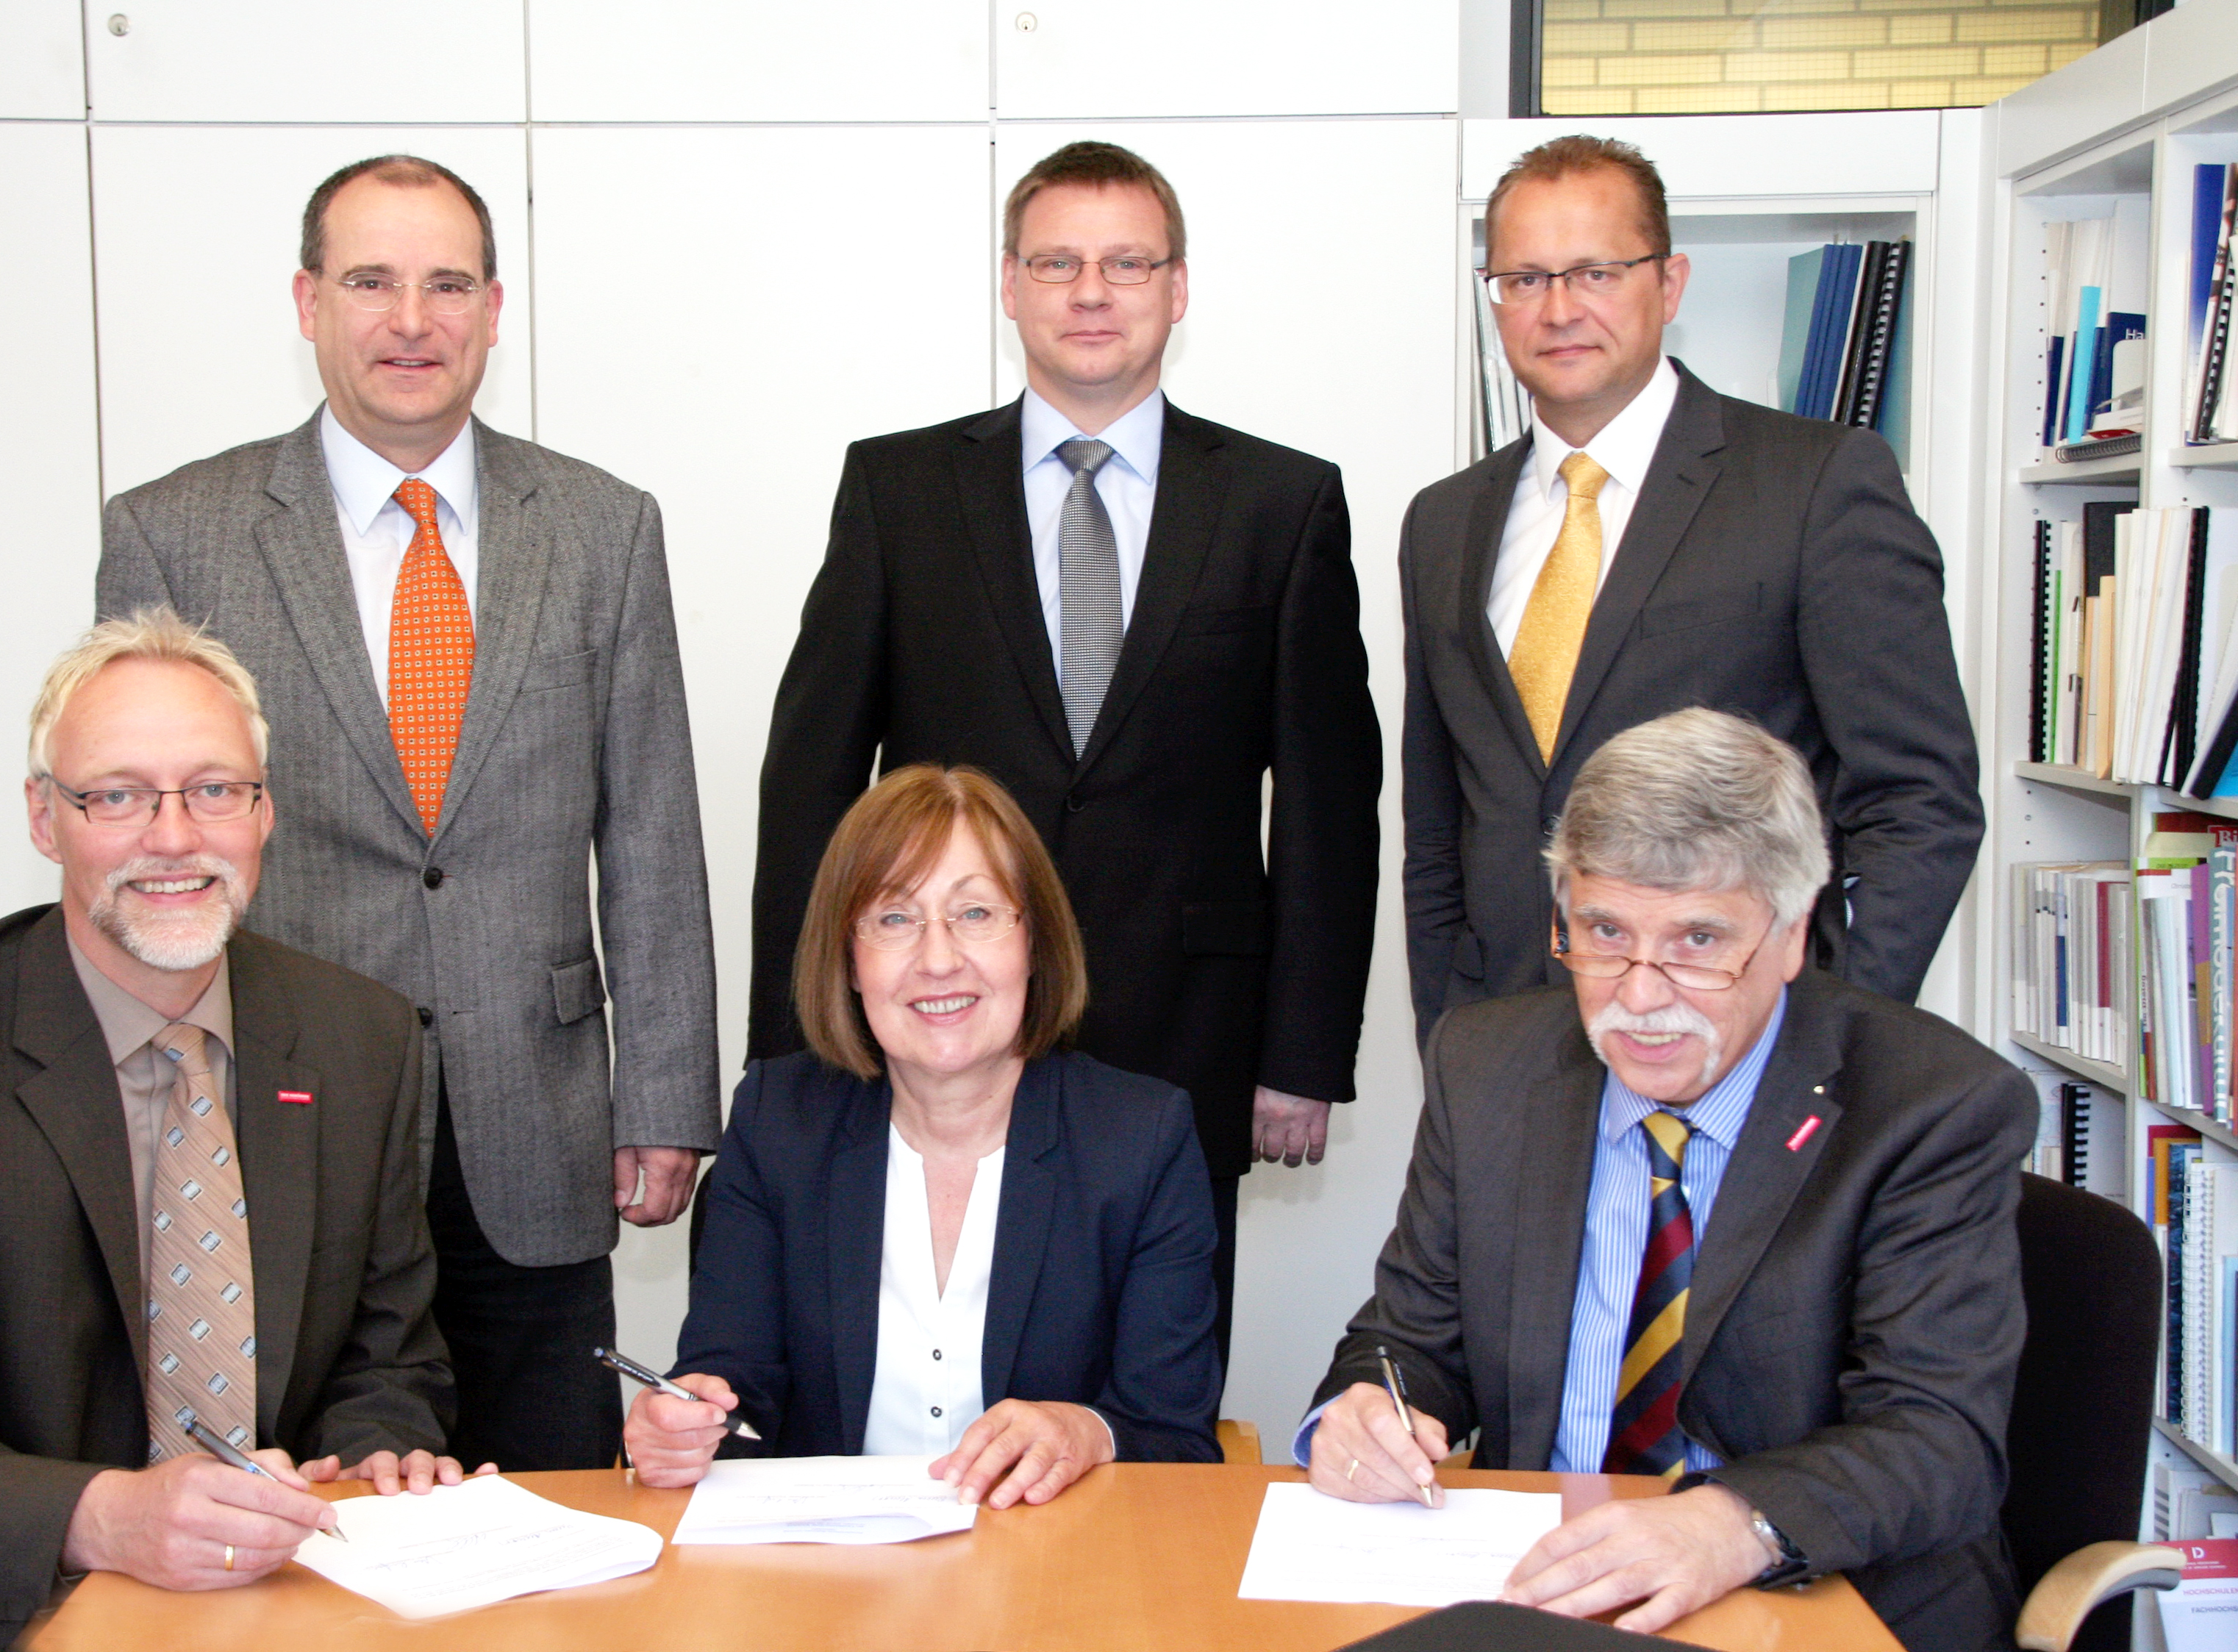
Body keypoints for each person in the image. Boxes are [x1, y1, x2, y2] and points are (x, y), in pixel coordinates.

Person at [98, 154, 719, 1473]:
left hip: (535, 1122)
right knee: (314, 1512)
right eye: (371, 281)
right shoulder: (175, 532)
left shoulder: (603, 527)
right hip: (280, 1112)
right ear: (308, 302)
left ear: (493, 309)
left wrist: (664, 1095)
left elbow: (652, 829)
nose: (410, 320)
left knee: (555, 1508)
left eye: (445, 284)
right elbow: (145, 846)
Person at [750, 140, 1381, 1369]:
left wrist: (1302, 1050)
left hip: (1189, 1027)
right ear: (1010, 284)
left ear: (1177, 288)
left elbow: (1327, 801)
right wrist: (794, 1042)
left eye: (1126, 263)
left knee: (1154, 1387)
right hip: (937, 1021)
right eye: (1057, 263)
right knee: (929, 1355)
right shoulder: (898, 489)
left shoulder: (1279, 502)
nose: (1091, 291)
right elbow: (810, 781)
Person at [0, 612, 480, 1652]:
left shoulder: (360, 1035)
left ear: (264, 810)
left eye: (214, 789)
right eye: (119, 795)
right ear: (45, 818)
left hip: (267, 1600)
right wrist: (113, 1516)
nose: (173, 837)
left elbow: (387, 1358)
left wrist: (377, 1454)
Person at [1302, 709, 2031, 1650]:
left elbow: (1938, 1436)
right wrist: (1368, 1410)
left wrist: (1734, 1523)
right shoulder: (1486, 1065)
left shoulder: (1930, 1106)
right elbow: (1410, 1338)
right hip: (1545, 1590)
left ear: (1792, 933)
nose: (1639, 997)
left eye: (1696, 942)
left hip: (1819, 1596)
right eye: (1604, 932)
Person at [1400, 133, 1981, 1040]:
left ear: (1669, 284)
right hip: (1506, 1041)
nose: (1559, 309)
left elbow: (1921, 801)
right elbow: (1440, 823)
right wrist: (1449, 1031)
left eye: (1596, 272)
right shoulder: (1443, 522)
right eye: (1525, 279)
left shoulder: (1816, 484)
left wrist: (1825, 1029)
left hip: (1734, 1037)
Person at [633, 765, 1220, 1505]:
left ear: (1034, 942)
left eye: (975, 913)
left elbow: (1173, 1435)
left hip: (1055, 1559)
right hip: (827, 1562)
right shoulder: (777, 1122)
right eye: (893, 918)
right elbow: (732, 1383)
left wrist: (1088, 1432)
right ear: (848, 960)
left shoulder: (1140, 1139)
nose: (938, 959)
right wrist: (684, 1426)